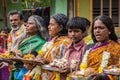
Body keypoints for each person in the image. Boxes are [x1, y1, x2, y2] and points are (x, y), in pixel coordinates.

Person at [79, 15, 120, 80]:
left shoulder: (116, 48)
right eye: (95, 28)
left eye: (101, 28)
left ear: (109, 30)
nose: (97, 31)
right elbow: (83, 67)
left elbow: (116, 70)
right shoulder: (89, 47)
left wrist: (102, 76)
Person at [34, 13, 71, 80]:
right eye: (49, 24)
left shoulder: (66, 42)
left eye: (52, 24)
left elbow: (64, 63)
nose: (48, 27)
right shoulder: (53, 40)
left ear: (61, 27)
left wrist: (48, 61)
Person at [9, 15, 47, 80]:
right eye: (27, 23)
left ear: (38, 27)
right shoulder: (25, 39)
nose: (26, 25)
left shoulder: (41, 42)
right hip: (16, 70)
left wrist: (21, 55)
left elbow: (34, 58)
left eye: (30, 23)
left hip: (27, 72)